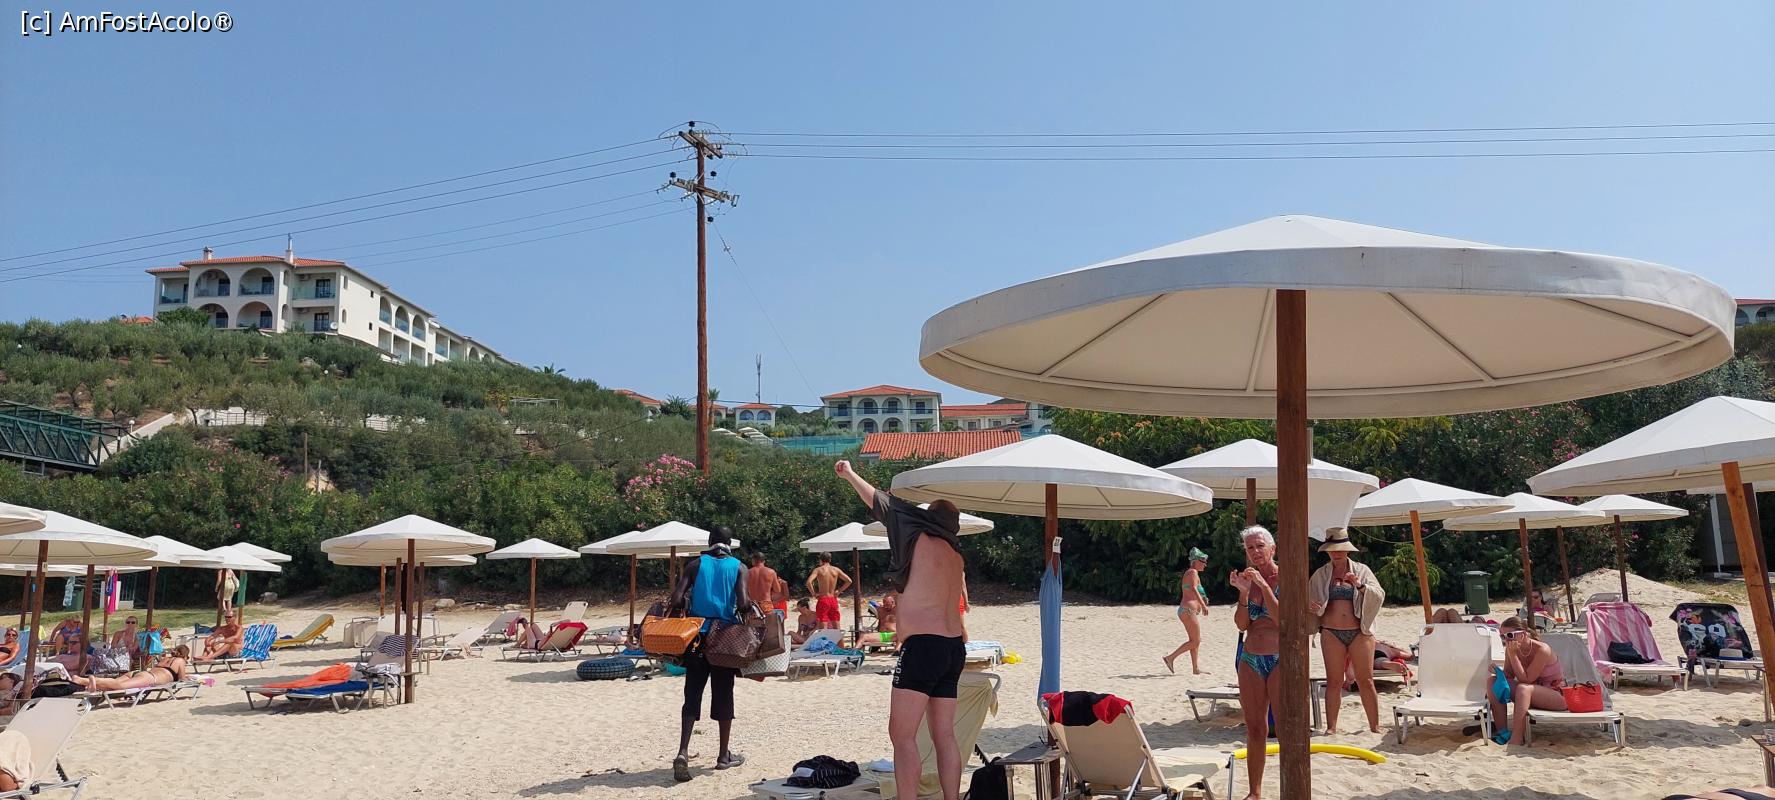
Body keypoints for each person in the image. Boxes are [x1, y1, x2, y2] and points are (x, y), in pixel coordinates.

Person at [836, 459, 966, 800]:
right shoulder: (955, 555)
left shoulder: (916, 534)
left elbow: (880, 502)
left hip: (923, 646)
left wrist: (849, 474)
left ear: (928, 518)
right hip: (953, 647)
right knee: (944, 735)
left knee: (902, 735)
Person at [666, 524, 751, 782]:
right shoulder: (739, 567)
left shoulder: (694, 565)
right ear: (729, 543)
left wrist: (691, 602)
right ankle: (723, 756)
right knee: (723, 694)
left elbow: (676, 600)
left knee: (692, 693)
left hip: (696, 637)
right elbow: (744, 603)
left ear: (710, 541)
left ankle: (683, 751)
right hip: (724, 638)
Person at [1306, 529, 1386, 734]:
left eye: (1340, 549)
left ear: (1348, 550)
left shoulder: (1362, 570)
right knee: (1334, 681)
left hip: (1359, 631)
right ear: (1327, 551)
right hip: (1331, 631)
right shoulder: (1321, 574)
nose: (1337, 553)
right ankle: (1332, 727)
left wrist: (1359, 586)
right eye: (1332, 549)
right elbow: (1309, 599)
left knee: (1366, 680)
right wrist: (1313, 607)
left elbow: (1379, 595)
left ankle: (1375, 725)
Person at [1231, 525, 1280, 800]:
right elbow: (1242, 624)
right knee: (1255, 727)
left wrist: (1263, 586)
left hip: (1279, 656)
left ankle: (1291, 785)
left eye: (1260, 545)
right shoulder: (1248, 579)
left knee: (1284, 726)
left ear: (1272, 548)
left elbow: (1282, 619)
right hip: (1250, 657)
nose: (1255, 551)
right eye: (1250, 547)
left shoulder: (1285, 576)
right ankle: (1255, 791)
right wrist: (1243, 593)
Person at [1488, 615, 1567, 746]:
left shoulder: (1542, 650)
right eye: (1502, 637)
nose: (1507, 640)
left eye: (1510, 635)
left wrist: (1513, 656)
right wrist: (1498, 672)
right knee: (1492, 681)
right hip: (1527, 695)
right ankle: (1502, 732)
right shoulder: (1511, 649)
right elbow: (1509, 675)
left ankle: (1517, 738)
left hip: (1556, 695)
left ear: (1523, 634)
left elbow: (1527, 680)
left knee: (1523, 688)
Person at [1164, 547, 1211, 675]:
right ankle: (1170, 658)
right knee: (1196, 640)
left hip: (1186, 610)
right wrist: (1203, 605)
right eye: (1203, 561)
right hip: (1188, 610)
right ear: (1195, 561)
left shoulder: (1191, 573)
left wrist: (1203, 598)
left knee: (1193, 640)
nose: (1205, 564)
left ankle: (1195, 668)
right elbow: (1194, 589)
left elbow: (1193, 590)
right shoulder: (1192, 572)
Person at [70, 645, 191, 692]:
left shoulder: (166, 659)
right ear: (184, 655)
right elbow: (182, 679)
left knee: (114, 684)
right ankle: (83, 680)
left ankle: (89, 682)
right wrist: (189, 677)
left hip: (141, 673)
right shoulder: (180, 661)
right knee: (119, 686)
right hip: (150, 678)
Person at [805, 553, 852, 631]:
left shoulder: (818, 570)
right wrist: (839, 591)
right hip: (833, 599)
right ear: (830, 560)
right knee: (837, 627)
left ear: (820, 560)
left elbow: (808, 583)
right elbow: (849, 581)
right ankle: (838, 639)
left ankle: (825, 639)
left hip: (823, 599)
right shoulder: (836, 570)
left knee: (823, 628)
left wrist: (814, 594)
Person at [746, 553, 779, 619]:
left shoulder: (748, 572)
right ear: (764, 561)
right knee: (768, 624)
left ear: (753, 560)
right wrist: (769, 593)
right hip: (766, 603)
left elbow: (744, 590)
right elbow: (777, 590)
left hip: (753, 604)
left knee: (753, 624)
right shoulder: (771, 572)